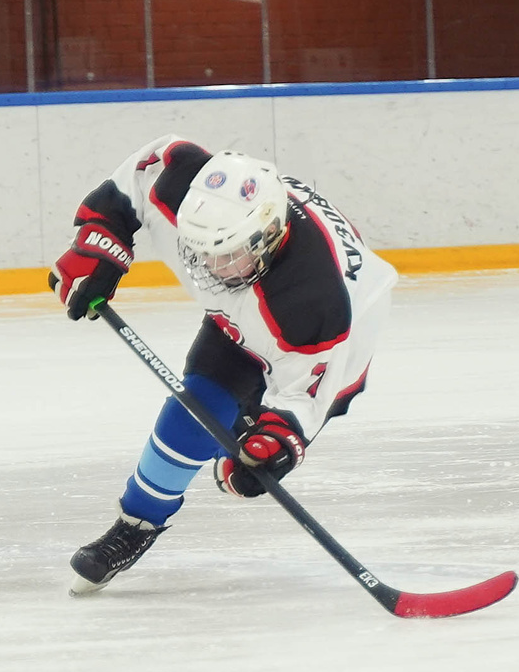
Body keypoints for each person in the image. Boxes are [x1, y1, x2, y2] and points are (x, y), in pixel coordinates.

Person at [47, 136, 398, 591]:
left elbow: (304, 396)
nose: (211, 267)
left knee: (244, 452)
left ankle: (235, 434)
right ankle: (137, 525)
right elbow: (141, 173)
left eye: (229, 254)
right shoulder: (183, 184)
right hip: (244, 322)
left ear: (269, 235)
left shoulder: (314, 306)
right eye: (201, 250)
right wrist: (101, 241)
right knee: (193, 415)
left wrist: (276, 441)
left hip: (328, 355)